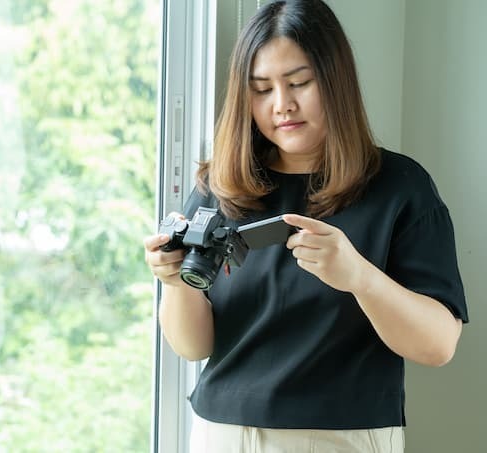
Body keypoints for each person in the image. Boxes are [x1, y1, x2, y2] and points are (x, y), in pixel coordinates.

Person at [143, 0, 469, 451]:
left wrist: (360, 278)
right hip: (222, 433)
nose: (282, 105)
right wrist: (176, 282)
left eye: (299, 83)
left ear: (335, 80)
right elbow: (193, 346)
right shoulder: (222, 187)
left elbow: (438, 346)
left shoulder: (399, 188)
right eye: (261, 89)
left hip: (341, 436)